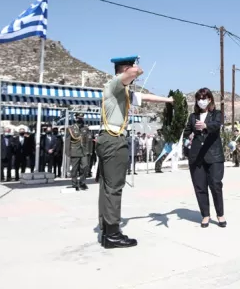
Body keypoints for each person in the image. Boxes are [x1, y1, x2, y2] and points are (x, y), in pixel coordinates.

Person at [97, 55, 173, 249]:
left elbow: (145, 97)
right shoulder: (114, 85)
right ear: (123, 70)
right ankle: (113, 234)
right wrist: (137, 68)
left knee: (107, 188)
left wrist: (168, 100)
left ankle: (107, 230)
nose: (135, 78)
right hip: (114, 140)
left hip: (109, 139)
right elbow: (134, 72)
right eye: (130, 71)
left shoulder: (121, 91)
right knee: (114, 188)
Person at [184, 87, 226, 228]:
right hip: (196, 157)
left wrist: (206, 125)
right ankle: (205, 215)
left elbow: (216, 125)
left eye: (204, 98)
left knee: (215, 184)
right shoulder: (192, 117)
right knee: (200, 186)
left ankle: (220, 214)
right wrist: (187, 137)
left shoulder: (217, 114)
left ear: (210, 99)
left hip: (214, 155)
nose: (202, 101)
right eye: (199, 98)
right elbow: (187, 132)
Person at [66, 113, 91, 191]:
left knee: (85, 166)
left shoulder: (85, 128)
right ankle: (74, 183)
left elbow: (88, 140)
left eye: (82, 118)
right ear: (76, 118)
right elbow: (67, 141)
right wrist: (67, 152)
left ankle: (82, 182)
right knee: (74, 168)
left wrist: (89, 151)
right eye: (79, 118)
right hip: (74, 151)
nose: (80, 119)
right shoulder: (71, 129)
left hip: (84, 151)